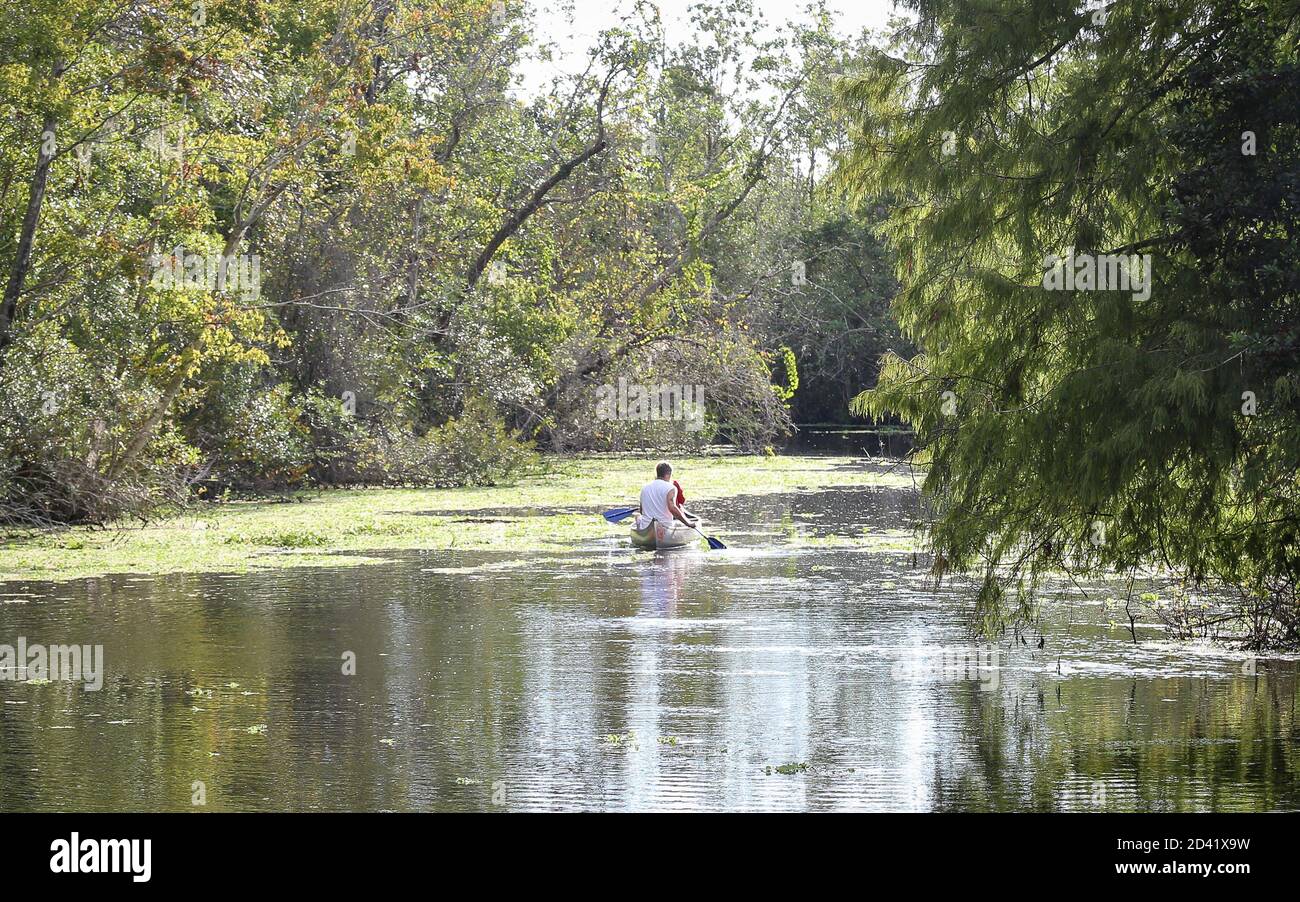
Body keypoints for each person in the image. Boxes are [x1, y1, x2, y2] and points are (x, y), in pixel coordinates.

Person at [635, 461, 699, 531]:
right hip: (665, 526)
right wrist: (688, 523)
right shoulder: (670, 487)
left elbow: (642, 511)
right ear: (669, 474)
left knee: (638, 517)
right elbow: (672, 509)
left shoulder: (644, 488)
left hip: (645, 527)